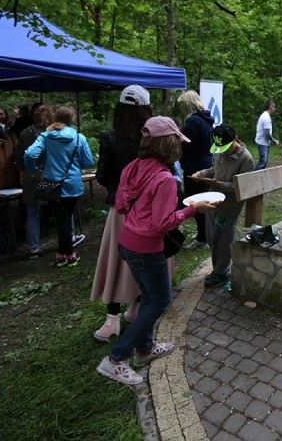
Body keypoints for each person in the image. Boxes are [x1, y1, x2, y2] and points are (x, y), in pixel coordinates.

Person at [96, 117, 217, 386]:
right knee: (159, 300)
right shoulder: (164, 179)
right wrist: (192, 210)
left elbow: (122, 204)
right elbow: (161, 224)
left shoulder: (134, 166)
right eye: (177, 141)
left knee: (149, 298)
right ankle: (115, 360)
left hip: (126, 241)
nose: (180, 146)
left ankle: (145, 348)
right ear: (168, 145)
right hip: (146, 249)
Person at [90, 86, 152, 342]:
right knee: (146, 262)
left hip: (121, 211)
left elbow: (103, 176)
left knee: (117, 261)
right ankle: (136, 307)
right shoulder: (151, 138)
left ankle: (111, 320)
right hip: (148, 210)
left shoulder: (109, 137)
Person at [24, 106, 94, 267]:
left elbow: (29, 154)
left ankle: (64, 253)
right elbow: (88, 161)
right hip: (73, 184)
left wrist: (34, 169)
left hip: (52, 184)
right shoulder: (78, 138)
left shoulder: (46, 136)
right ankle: (68, 253)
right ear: (71, 120)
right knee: (65, 216)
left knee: (61, 217)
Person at [191, 124, 255, 288]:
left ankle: (221, 272)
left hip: (230, 206)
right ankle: (219, 267)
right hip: (212, 200)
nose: (224, 152)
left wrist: (222, 185)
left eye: (226, 148)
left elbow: (243, 186)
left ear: (236, 138)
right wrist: (202, 174)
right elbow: (213, 169)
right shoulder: (220, 152)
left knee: (223, 239)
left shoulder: (246, 159)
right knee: (212, 237)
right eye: (221, 148)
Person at [177, 90, 214, 250]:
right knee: (203, 201)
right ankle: (204, 233)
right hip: (205, 164)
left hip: (195, 168)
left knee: (196, 203)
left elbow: (186, 145)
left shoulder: (192, 122)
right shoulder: (206, 119)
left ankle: (202, 239)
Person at [15, 103, 52, 259]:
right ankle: (69, 239)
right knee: (63, 209)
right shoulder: (56, 133)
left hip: (32, 177)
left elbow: (19, 157)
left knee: (32, 214)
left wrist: (22, 174)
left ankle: (33, 249)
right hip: (52, 176)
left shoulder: (24, 133)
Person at [253, 100, 278, 171]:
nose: (274, 108)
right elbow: (267, 133)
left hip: (261, 141)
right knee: (263, 161)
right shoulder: (266, 117)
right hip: (262, 142)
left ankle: (259, 175)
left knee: (263, 161)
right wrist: (274, 141)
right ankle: (254, 175)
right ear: (270, 106)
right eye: (274, 106)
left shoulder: (264, 115)